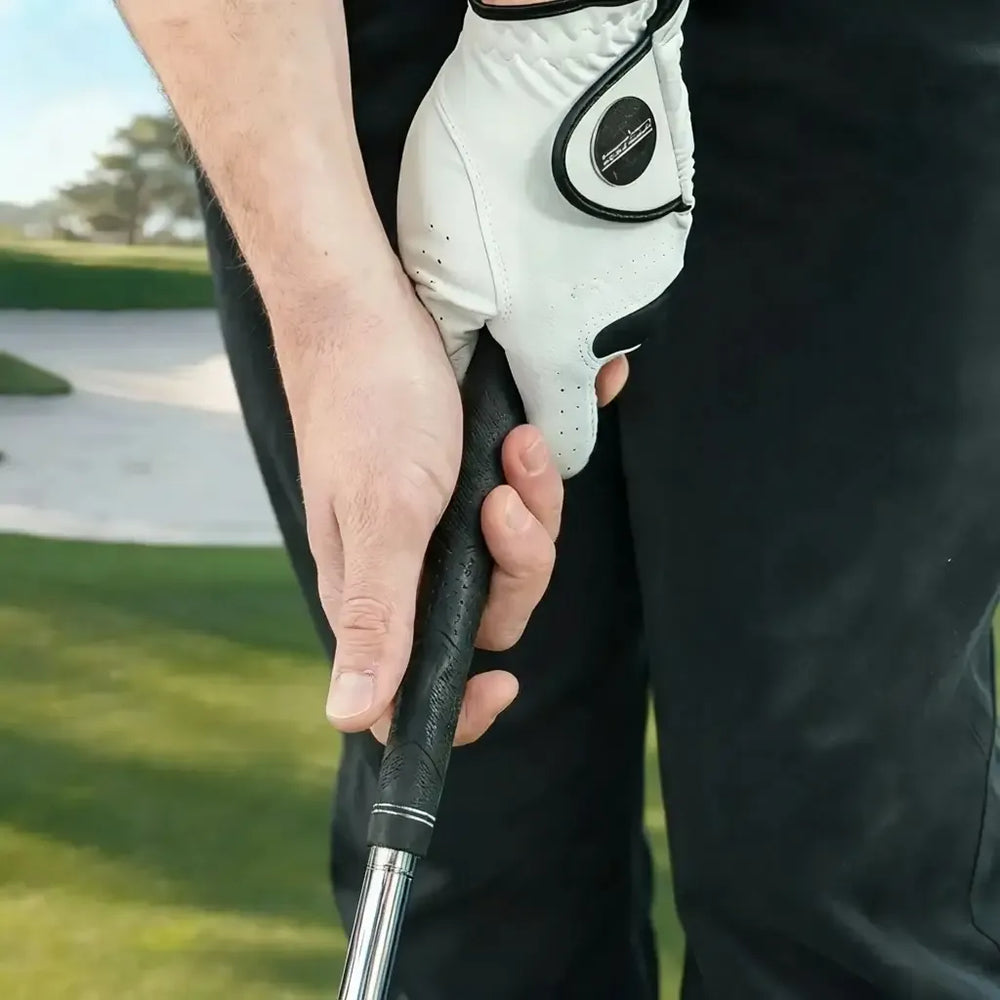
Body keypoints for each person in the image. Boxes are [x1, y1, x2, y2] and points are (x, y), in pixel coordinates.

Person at [115, 0, 1000, 997]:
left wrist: (555, 29)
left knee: (834, 837)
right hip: (357, 49)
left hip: (858, 50)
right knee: (473, 853)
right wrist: (330, 305)